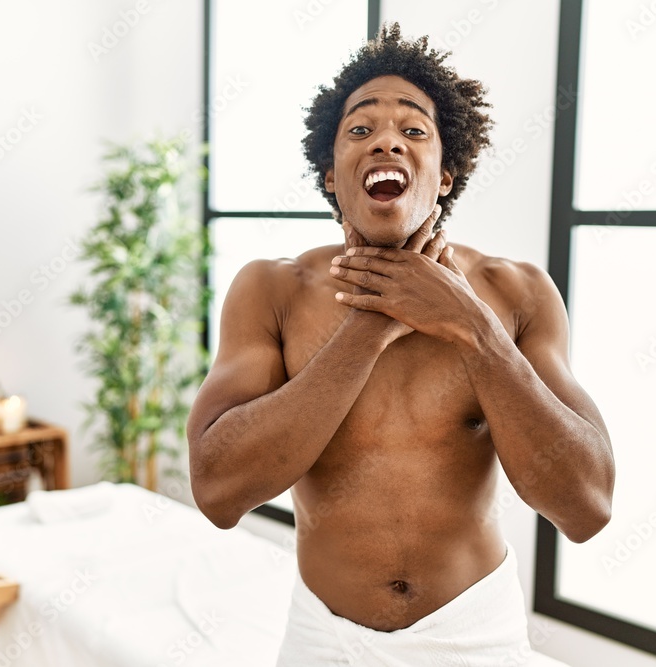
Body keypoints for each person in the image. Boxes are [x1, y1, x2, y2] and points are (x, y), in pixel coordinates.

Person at [187, 23, 614, 666]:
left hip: (476, 635)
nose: (386, 140)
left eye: (414, 130)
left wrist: (474, 329)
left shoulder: (518, 293)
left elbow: (587, 508)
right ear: (331, 176)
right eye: (360, 128)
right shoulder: (271, 290)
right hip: (323, 638)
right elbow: (218, 493)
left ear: (444, 176)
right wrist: (368, 327)